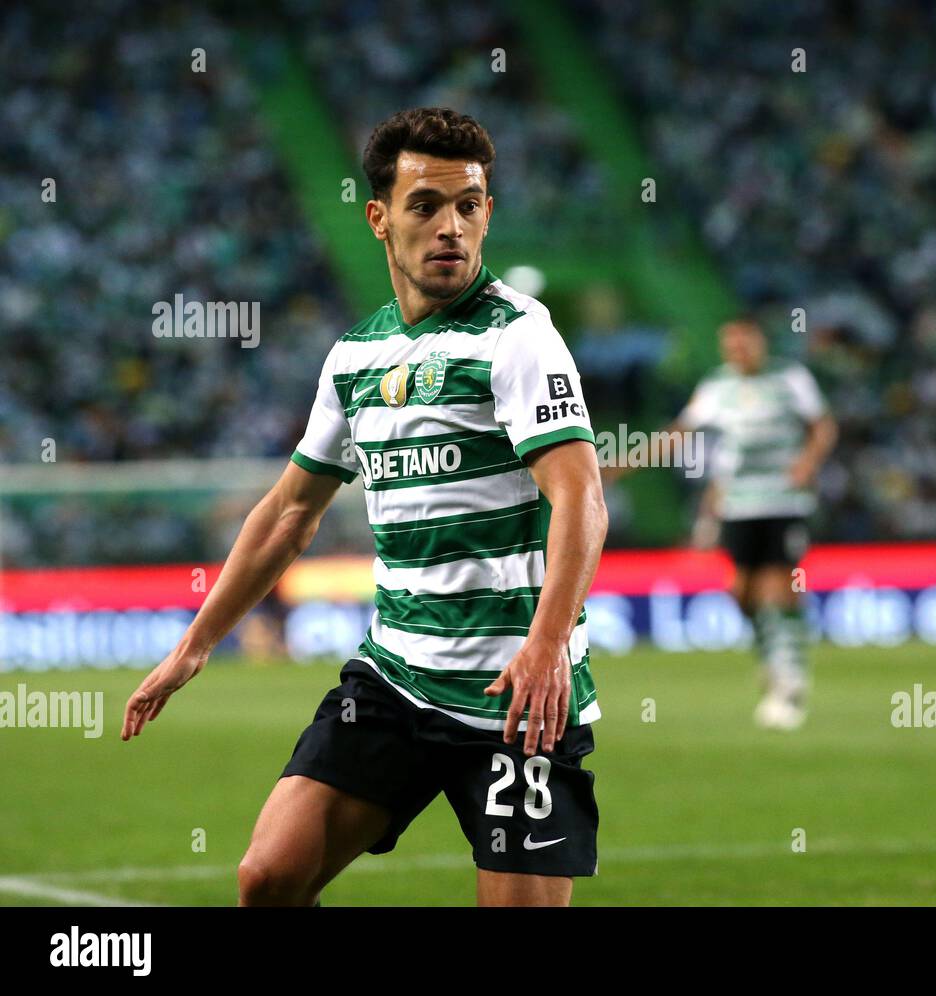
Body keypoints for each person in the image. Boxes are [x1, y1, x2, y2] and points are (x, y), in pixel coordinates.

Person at [122, 107, 608, 906]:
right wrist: (196, 644)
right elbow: (288, 514)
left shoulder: (518, 338)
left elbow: (581, 497)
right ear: (380, 218)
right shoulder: (355, 356)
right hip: (395, 681)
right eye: (426, 207)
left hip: (516, 697)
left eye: (469, 206)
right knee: (268, 877)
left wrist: (549, 642)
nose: (451, 226)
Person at [613, 317, 836, 729]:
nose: (738, 351)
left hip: (783, 499)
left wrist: (807, 462)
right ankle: (772, 655)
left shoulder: (791, 378)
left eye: (744, 343)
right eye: (731, 345)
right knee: (741, 591)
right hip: (737, 504)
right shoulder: (718, 388)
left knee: (778, 583)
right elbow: (678, 433)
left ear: (760, 342)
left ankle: (789, 682)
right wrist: (624, 464)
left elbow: (823, 425)